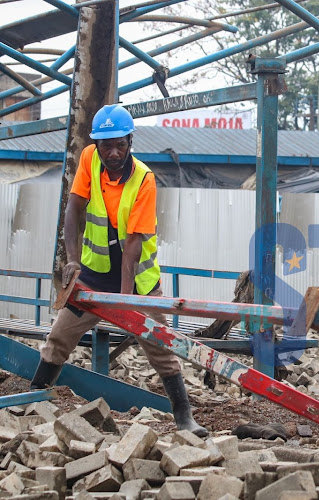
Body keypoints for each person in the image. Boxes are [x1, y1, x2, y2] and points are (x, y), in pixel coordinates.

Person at [30, 104, 208, 437]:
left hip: (137, 283)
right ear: (96, 144)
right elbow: (74, 209)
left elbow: (133, 246)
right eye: (106, 145)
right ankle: (35, 398)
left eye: (120, 145)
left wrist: (124, 300)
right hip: (94, 275)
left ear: (130, 142)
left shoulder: (144, 179)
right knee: (58, 337)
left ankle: (184, 417)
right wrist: (71, 258)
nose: (113, 152)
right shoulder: (88, 159)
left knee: (160, 347)